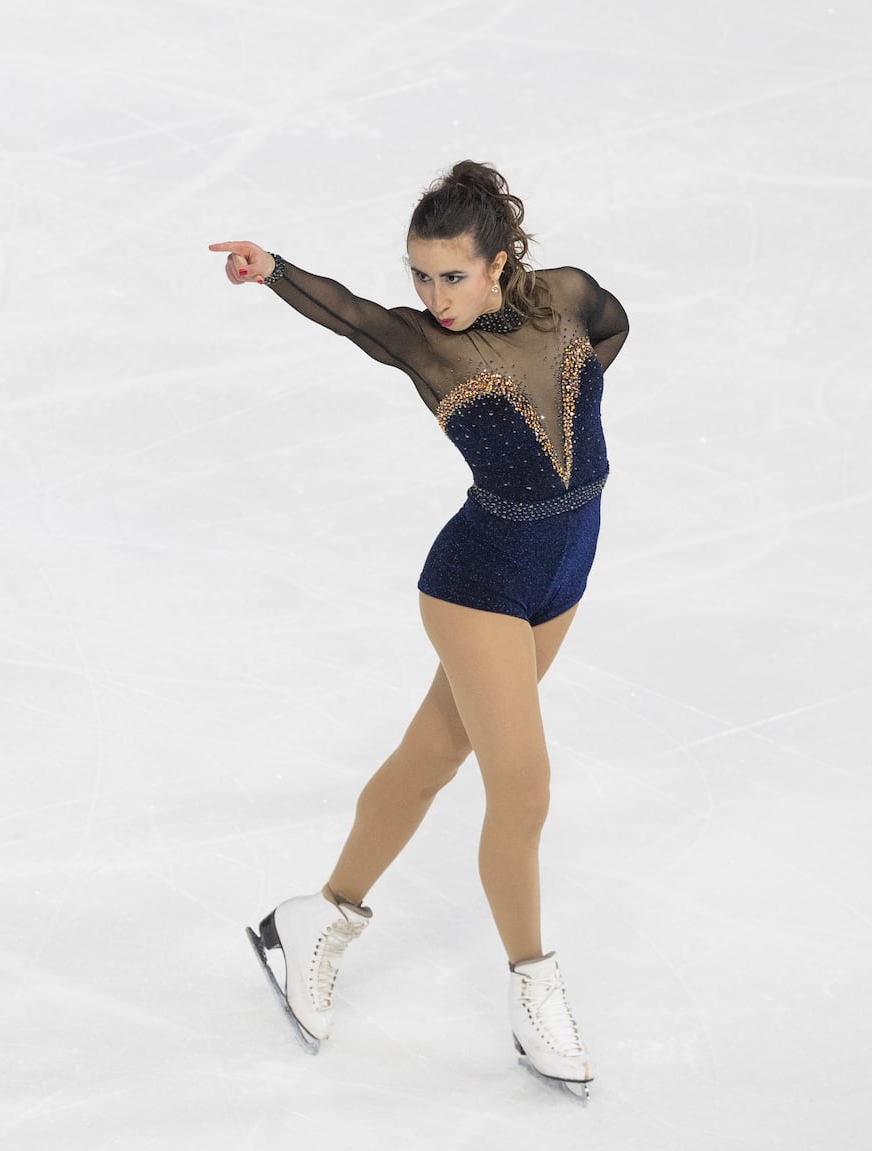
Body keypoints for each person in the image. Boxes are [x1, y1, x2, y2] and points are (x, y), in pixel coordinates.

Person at [210, 160, 628, 1093]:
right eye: (421, 275)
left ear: (501, 261)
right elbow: (352, 313)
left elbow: (613, 323)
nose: (435, 296)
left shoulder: (565, 299)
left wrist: (579, 398)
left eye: (453, 274)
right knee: (521, 788)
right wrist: (273, 268)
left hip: (564, 569)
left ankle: (315, 919)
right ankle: (533, 989)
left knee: (434, 754)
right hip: (478, 579)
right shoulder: (427, 349)